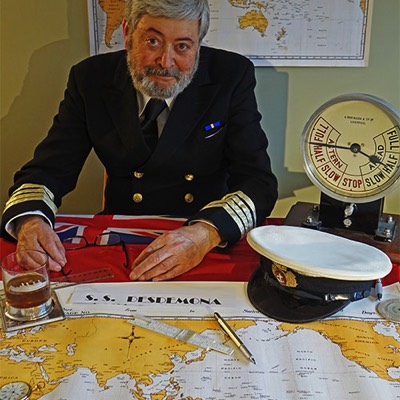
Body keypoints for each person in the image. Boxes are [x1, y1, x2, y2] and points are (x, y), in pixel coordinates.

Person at [1, 0, 278, 281]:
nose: (166, 62)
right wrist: (30, 221)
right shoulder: (91, 79)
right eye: (153, 41)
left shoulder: (231, 75)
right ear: (127, 33)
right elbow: (49, 169)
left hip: (204, 236)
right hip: (122, 235)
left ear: (198, 43)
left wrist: (206, 232)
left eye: (182, 46)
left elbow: (258, 182)